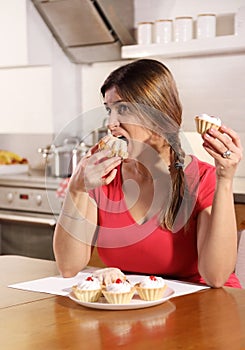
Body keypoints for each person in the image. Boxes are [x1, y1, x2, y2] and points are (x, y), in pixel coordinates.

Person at [53, 59, 243, 288]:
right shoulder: (105, 175)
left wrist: (225, 179)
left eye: (123, 109)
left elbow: (216, 277)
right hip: (134, 308)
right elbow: (68, 266)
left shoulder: (202, 179)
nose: (111, 123)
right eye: (108, 110)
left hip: (202, 307)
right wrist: (77, 188)